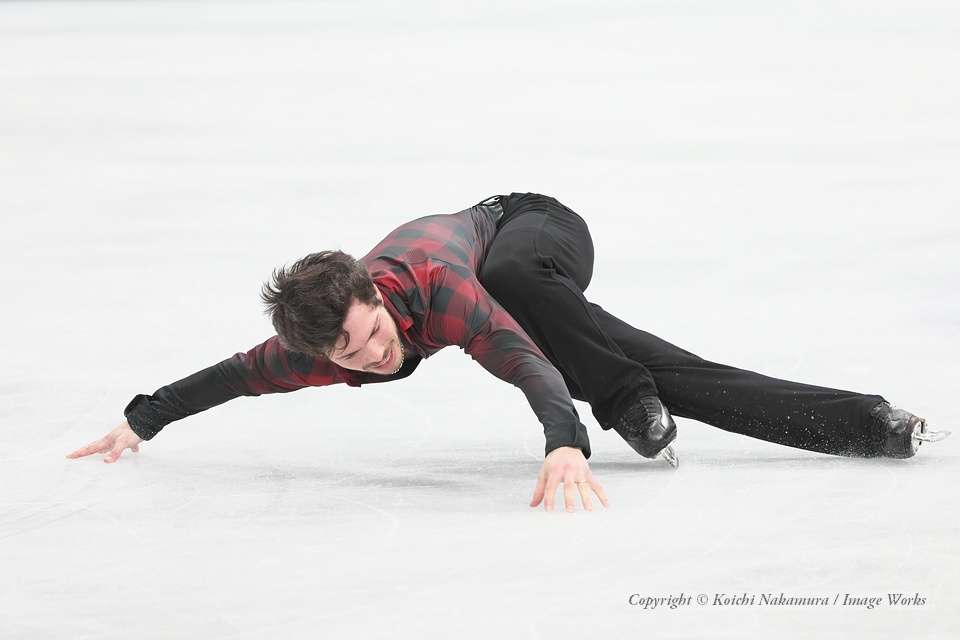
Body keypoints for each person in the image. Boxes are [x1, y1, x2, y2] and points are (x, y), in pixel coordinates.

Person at [66, 192, 950, 512]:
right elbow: (232, 376)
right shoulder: (315, 346)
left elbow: (527, 363)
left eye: (374, 334)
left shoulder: (442, 294)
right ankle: (867, 425)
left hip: (534, 229)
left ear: (380, 295)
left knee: (523, 293)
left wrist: (564, 437)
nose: (373, 357)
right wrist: (142, 419)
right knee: (631, 354)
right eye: (352, 356)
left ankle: (626, 401)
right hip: (520, 284)